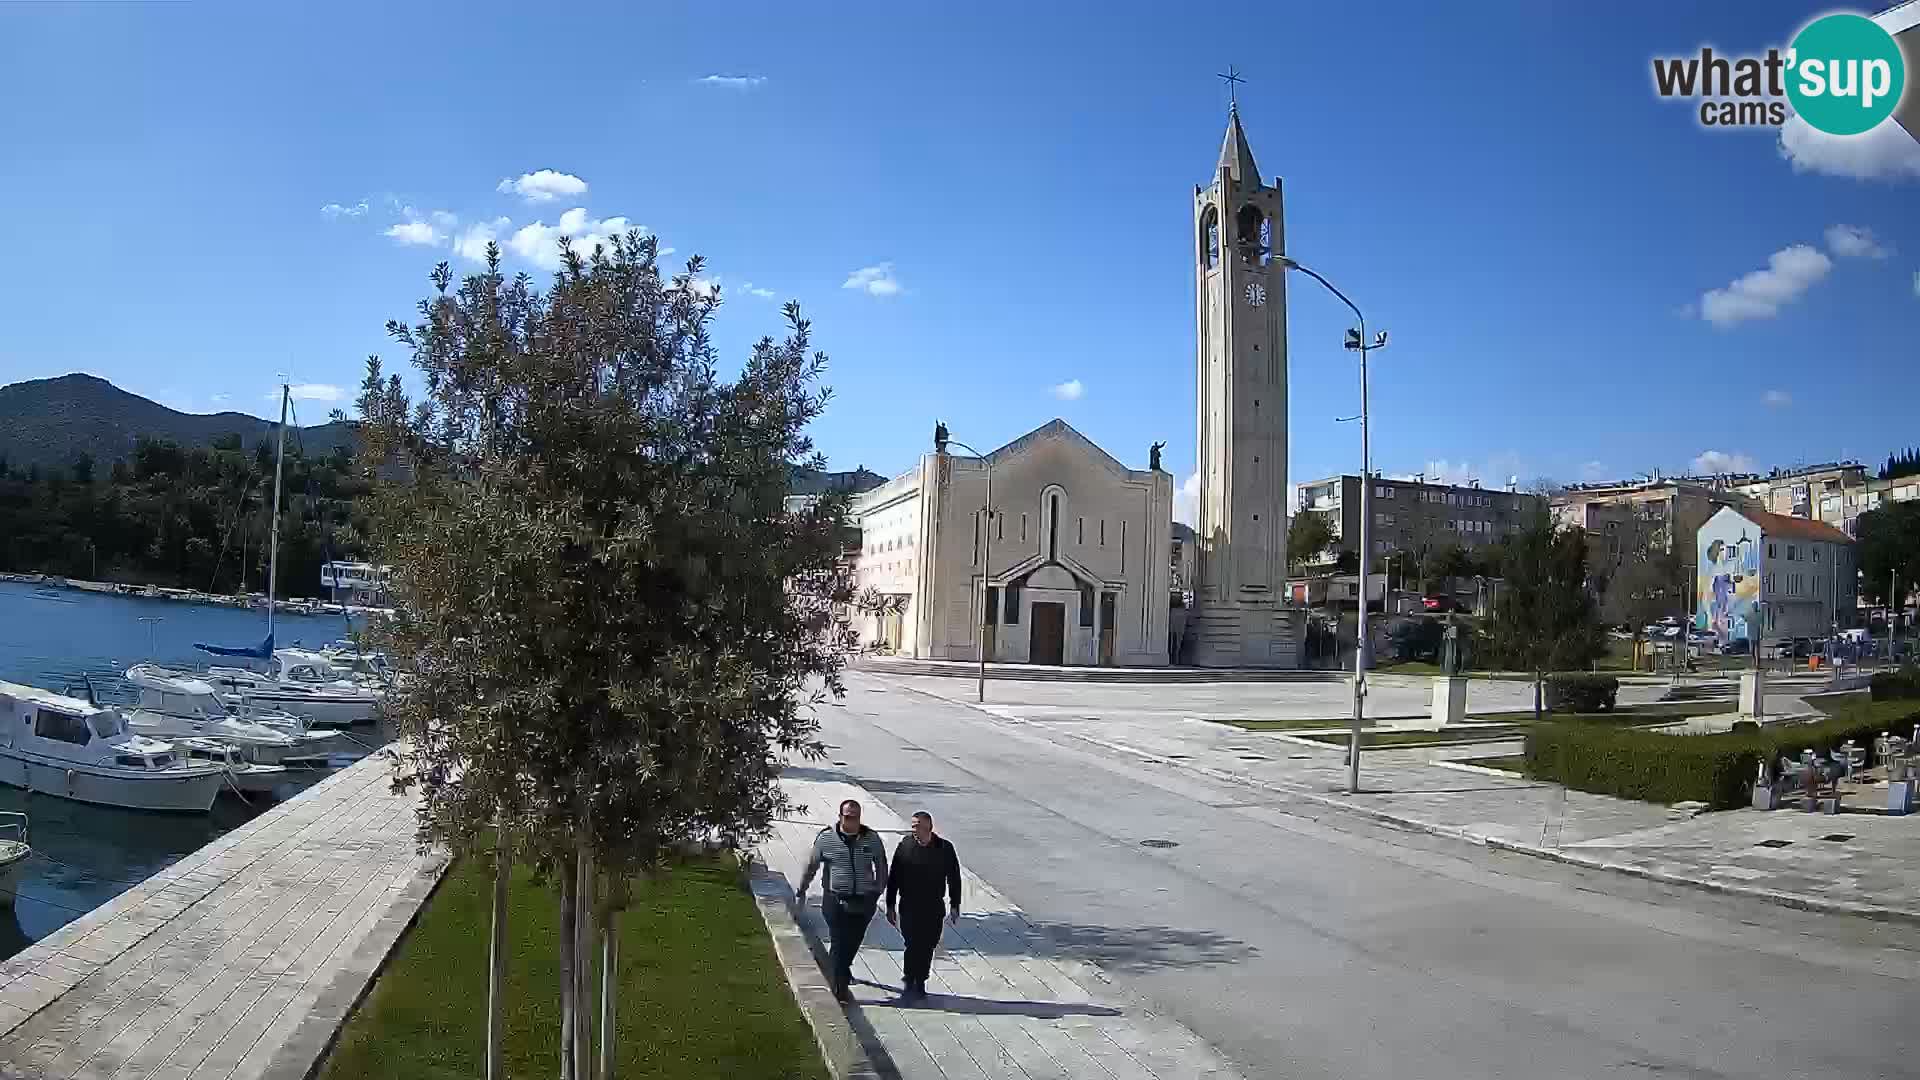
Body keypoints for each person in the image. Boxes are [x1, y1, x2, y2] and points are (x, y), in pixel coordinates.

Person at [796, 798, 890, 1001]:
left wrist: (877, 892)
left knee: (853, 941)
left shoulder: (871, 838)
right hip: (835, 901)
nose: (852, 821)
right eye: (847, 817)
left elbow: (881, 866)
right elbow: (812, 865)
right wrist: (802, 889)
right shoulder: (826, 838)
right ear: (840, 817)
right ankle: (839, 989)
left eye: (855, 817)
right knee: (839, 942)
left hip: (864, 901)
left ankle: (842, 971)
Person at [884, 810, 962, 1003]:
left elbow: (954, 878)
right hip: (909, 904)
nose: (914, 829)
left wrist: (955, 904)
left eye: (918, 825)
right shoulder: (905, 846)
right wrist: (890, 904)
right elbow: (894, 875)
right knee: (912, 943)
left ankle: (921, 979)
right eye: (913, 825)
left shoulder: (944, 848)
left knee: (928, 944)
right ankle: (911, 979)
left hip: (933, 906)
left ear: (929, 827)